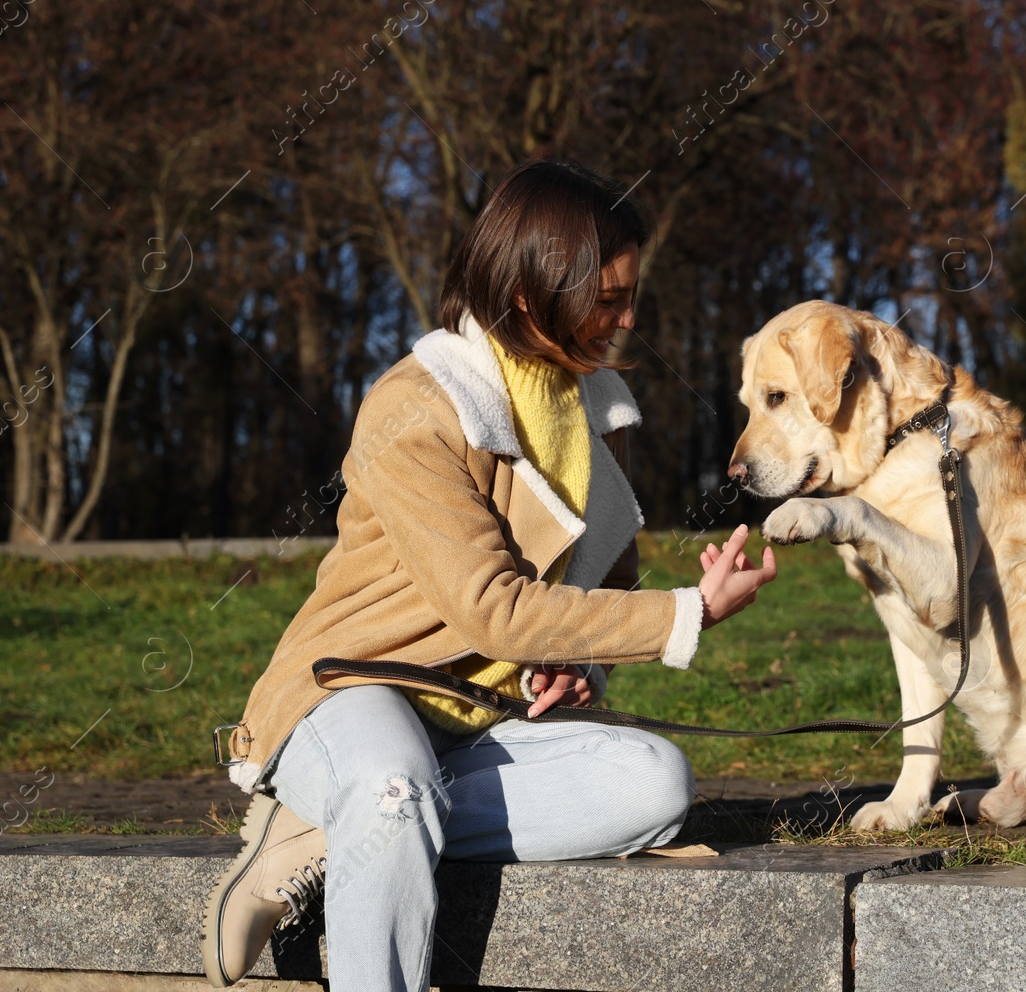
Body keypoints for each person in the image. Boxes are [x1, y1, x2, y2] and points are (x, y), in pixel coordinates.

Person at [201, 159, 777, 991]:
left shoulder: (595, 408)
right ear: (528, 296)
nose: (629, 317)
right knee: (393, 786)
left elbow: (591, 595)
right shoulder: (416, 408)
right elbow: (491, 608)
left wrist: (580, 671)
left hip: (477, 721)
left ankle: (324, 832)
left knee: (655, 781)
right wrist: (686, 613)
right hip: (350, 692)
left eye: (629, 295)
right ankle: (358, 816)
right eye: (608, 300)